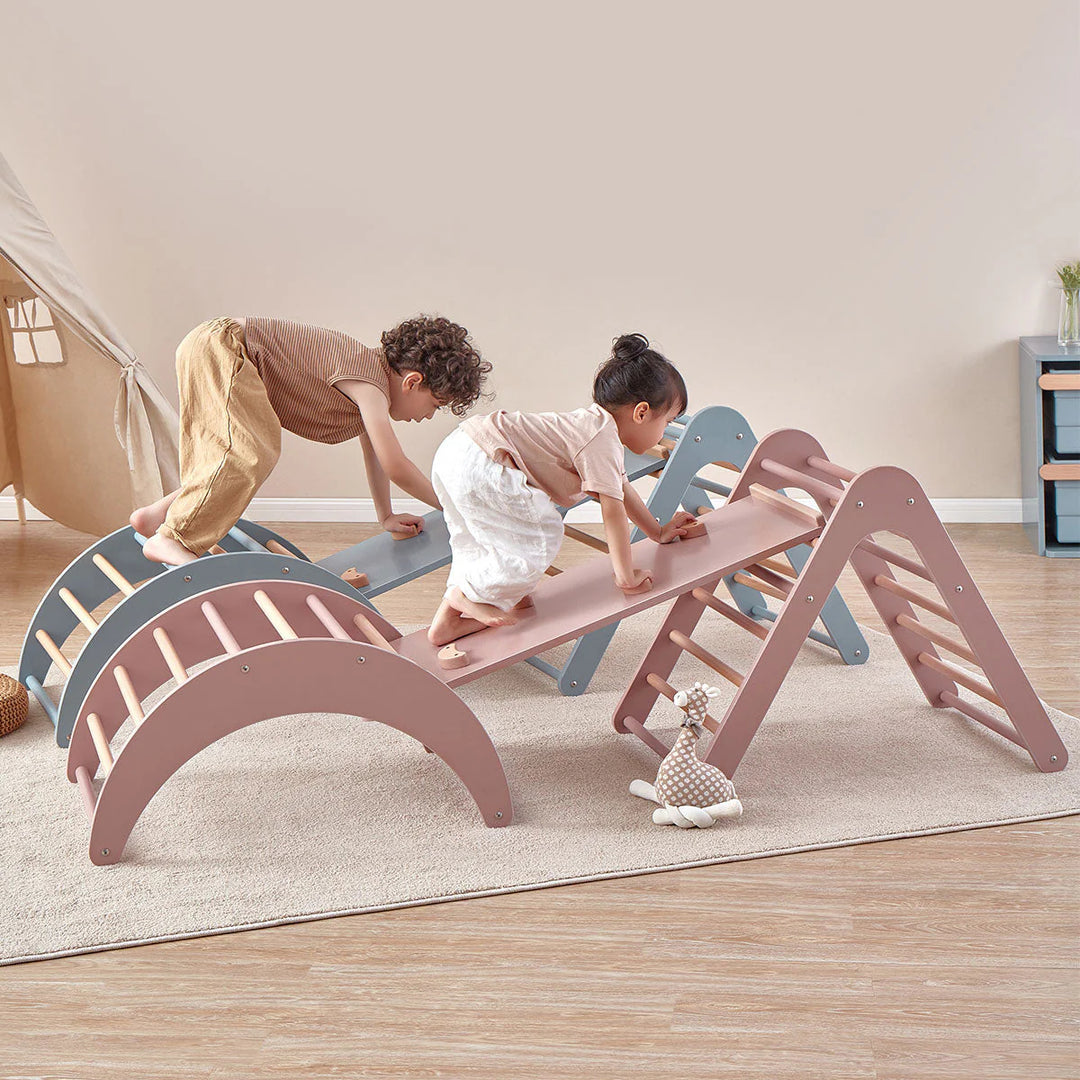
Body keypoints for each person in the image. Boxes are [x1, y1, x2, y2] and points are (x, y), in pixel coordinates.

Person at [130, 314, 490, 565]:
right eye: (435, 405)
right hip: (224, 346)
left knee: (236, 455)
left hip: (216, 344)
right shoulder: (370, 385)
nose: (427, 416)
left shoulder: (368, 382)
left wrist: (386, 515)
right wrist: (453, 507)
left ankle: (155, 517)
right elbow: (396, 465)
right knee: (247, 453)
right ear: (412, 382)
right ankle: (172, 538)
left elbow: (377, 457)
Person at [427, 332, 696, 646]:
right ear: (641, 413)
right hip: (483, 462)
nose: (664, 433)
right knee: (541, 536)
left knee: (479, 540)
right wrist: (626, 577)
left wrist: (657, 532)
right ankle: (463, 596)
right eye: (667, 422)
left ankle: (450, 620)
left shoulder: (596, 428)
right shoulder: (601, 441)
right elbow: (613, 512)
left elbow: (620, 491)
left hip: (458, 449)